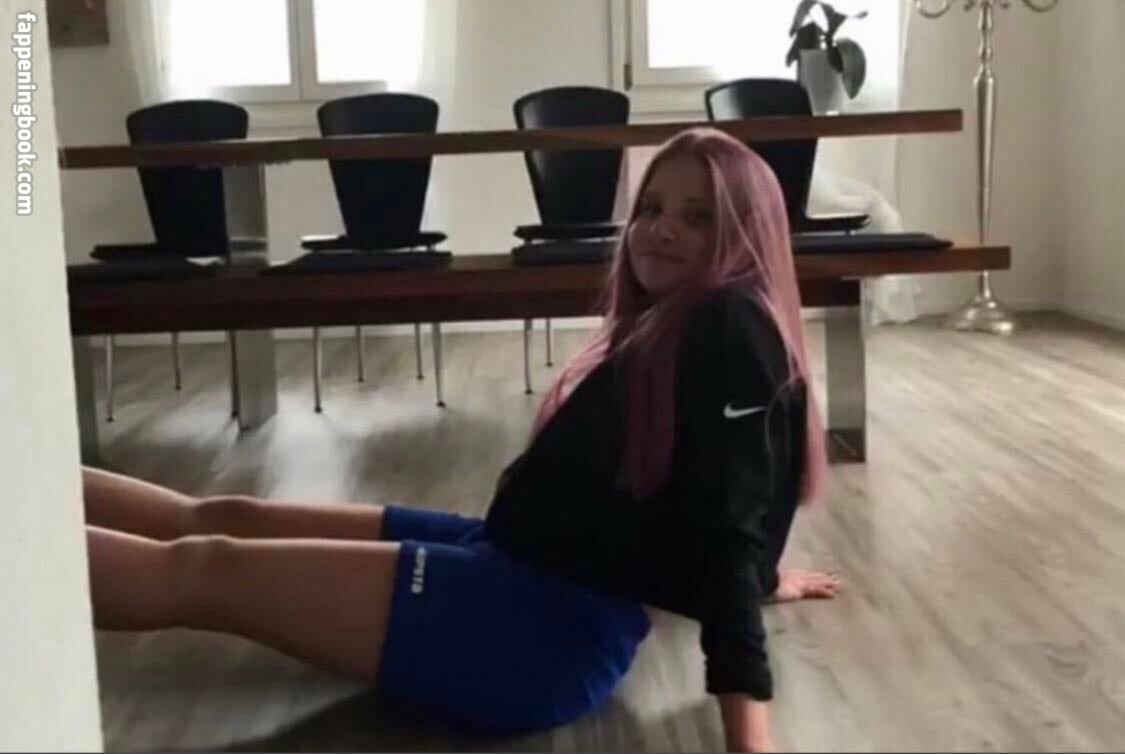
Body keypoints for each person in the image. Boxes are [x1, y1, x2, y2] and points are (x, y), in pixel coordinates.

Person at [84, 127, 840, 753]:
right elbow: (720, 494)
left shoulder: (727, 327)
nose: (662, 227)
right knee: (224, 517)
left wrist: (749, 737)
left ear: (744, 236)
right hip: (515, 564)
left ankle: (27, 553)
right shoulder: (690, 323)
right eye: (652, 207)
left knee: (206, 568)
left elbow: (724, 529)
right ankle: (30, 471)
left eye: (699, 217)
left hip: (534, 636)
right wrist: (766, 576)